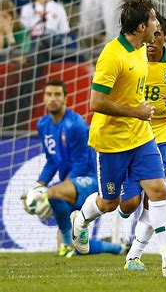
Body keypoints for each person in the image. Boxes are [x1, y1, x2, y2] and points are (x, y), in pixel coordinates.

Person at [70, 0, 166, 277]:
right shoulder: (112, 55)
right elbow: (96, 103)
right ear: (141, 26)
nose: (156, 22)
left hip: (142, 137)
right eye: (152, 19)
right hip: (112, 141)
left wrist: (143, 114)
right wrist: (135, 111)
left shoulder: (141, 49)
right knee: (110, 203)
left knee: (159, 190)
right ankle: (80, 219)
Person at [117, 14, 166, 270]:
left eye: (158, 35)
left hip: (160, 138)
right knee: (128, 204)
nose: (152, 40)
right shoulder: (131, 61)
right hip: (131, 137)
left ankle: (135, 256)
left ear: (165, 37)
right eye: (150, 35)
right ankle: (108, 217)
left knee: (157, 198)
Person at [31, 79, 127, 257]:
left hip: (91, 178)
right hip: (70, 181)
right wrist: (38, 185)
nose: (53, 99)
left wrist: (52, 191)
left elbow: (82, 165)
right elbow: (52, 160)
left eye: (57, 94)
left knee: (53, 194)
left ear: (66, 98)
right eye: (49, 94)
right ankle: (118, 248)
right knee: (73, 248)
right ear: (43, 98)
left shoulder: (76, 125)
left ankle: (68, 237)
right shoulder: (43, 125)